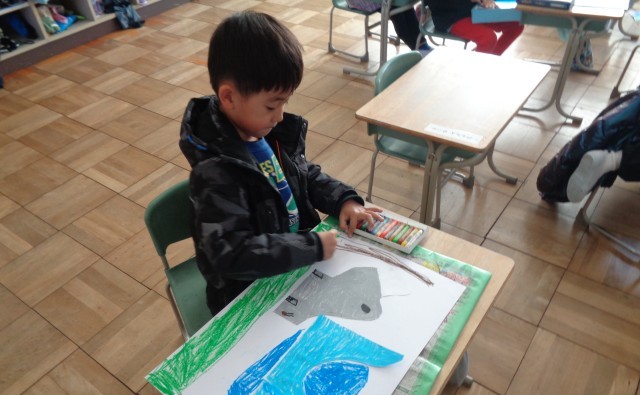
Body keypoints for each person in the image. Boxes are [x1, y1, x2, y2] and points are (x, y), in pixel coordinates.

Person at [179, 11, 382, 315]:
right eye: (272, 105)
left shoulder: (264, 133)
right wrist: (310, 246)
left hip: (294, 269)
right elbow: (232, 254)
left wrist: (344, 200)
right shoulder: (215, 173)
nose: (281, 116)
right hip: (246, 295)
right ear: (229, 98)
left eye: (284, 103)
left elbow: (304, 175)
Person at [426, 0, 524, 55]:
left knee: (517, 23)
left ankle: (492, 58)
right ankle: (477, 71)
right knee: (488, 38)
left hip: (476, 10)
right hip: (451, 18)